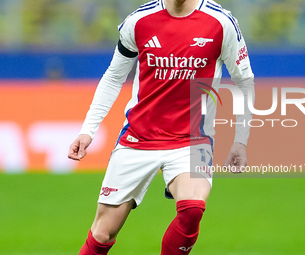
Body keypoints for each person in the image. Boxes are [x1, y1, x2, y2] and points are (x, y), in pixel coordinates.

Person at [68, 0, 255, 254]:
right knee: (102, 233)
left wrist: (240, 140)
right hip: (138, 138)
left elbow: (244, 80)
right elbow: (114, 76)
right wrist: (88, 130)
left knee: (192, 208)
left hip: (192, 139)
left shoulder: (221, 23)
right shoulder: (138, 22)